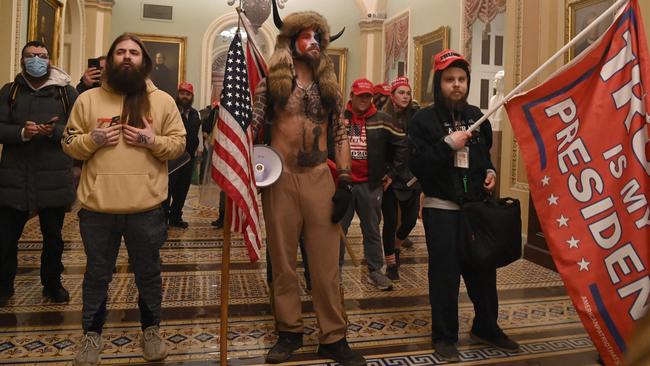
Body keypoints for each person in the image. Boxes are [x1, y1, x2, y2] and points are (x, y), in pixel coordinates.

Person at [250, 3, 365, 365]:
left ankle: (333, 336)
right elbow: (251, 126)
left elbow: (342, 132)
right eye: (307, 35)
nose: (313, 41)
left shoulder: (329, 87)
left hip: (319, 179)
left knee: (326, 265)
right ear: (291, 40)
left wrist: (344, 181)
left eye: (319, 36)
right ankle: (289, 332)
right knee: (282, 262)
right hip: (280, 178)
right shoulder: (271, 82)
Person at [62, 33, 186, 366]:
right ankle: (91, 335)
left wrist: (152, 140)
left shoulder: (162, 102)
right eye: (120, 52)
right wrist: (93, 139)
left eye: (133, 52)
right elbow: (69, 143)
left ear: (143, 60)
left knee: (148, 273)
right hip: (97, 210)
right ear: (110, 59)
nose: (127, 57)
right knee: (96, 275)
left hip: (146, 209)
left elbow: (179, 145)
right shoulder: (88, 100)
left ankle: (151, 330)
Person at [408, 49, 519, 362]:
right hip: (441, 209)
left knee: (484, 269)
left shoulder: (477, 116)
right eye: (449, 79)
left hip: (476, 211)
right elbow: (418, 166)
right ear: (438, 83)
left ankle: (486, 326)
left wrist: (490, 172)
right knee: (445, 275)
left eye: (461, 79)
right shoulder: (422, 121)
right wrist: (447, 145)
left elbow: (483, 154)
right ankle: (444, 336)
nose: (456, 85)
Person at [0, 40, 78, 306]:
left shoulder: (67, 93)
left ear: (50, 60)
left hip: (53, 177)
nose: (36, 60)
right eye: (31, 55)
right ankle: (3, 287)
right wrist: (22, 132)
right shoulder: (9, 91)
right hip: (14, 178)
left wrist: (53, 132)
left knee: (54, 239)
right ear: (22, 61)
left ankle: (52, 284)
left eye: (42, 56)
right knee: (5, 238)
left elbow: (77, 130)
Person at [338, 78, 408, 291]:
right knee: (339, 229)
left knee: (371, 229)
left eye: (368, 96)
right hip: (343, 185)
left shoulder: (383, 120)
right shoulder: (340, 119)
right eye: (360, 95)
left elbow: (402, 146)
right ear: (352, 96)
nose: (364, 99)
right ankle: (335, 272)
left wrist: (391, 174)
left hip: (371, 184)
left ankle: (375, 272)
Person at [380, 76, 420, 281]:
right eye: (401, 93)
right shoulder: (383, 116)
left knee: (410, 221)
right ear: (392, 95)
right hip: (389, 177)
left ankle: (396, 245)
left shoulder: (417, 115)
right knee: (390, 221)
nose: (405, 96)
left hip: (412, 176)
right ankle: (391, 262)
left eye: (408, 93)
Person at [164, 82, 201, 228]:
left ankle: (176, 217)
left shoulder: (195, 114)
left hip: (188, 160)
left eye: (188, 94)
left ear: (192, 96)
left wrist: (199, 152)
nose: (185, 96)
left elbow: (198, 134)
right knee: (167, 190)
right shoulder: (171, 111)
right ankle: (164, 219)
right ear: (177, 94)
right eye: (182, 93)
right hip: (172, 160)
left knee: (182, 191)